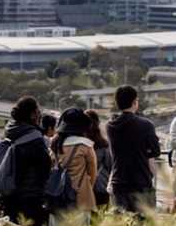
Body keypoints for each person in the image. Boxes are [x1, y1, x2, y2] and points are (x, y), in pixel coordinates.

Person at [107, 85, 161, 215]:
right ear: (134, 102)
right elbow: (155, 151)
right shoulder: (146, 125)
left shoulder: (110, 126)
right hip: (140, 182)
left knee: (122, 225)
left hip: (118, 182)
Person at [2, 97, 52, 226]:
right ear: (32, 114)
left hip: (10, 191)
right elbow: (44, 167)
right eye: (38, 111)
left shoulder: (10, 132)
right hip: (31, 195)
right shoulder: (34, 137)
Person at [51, 108, 98, 214]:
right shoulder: (86, 146)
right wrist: (86, 187)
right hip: (80, 197)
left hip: (57, 195)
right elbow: (93, 173)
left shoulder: (55, 144)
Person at [85, 109, 113, 209]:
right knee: (101, 219)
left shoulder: (80, 144)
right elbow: (110, 166)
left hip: (84, 187)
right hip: (101, 186)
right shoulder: (103, 144)